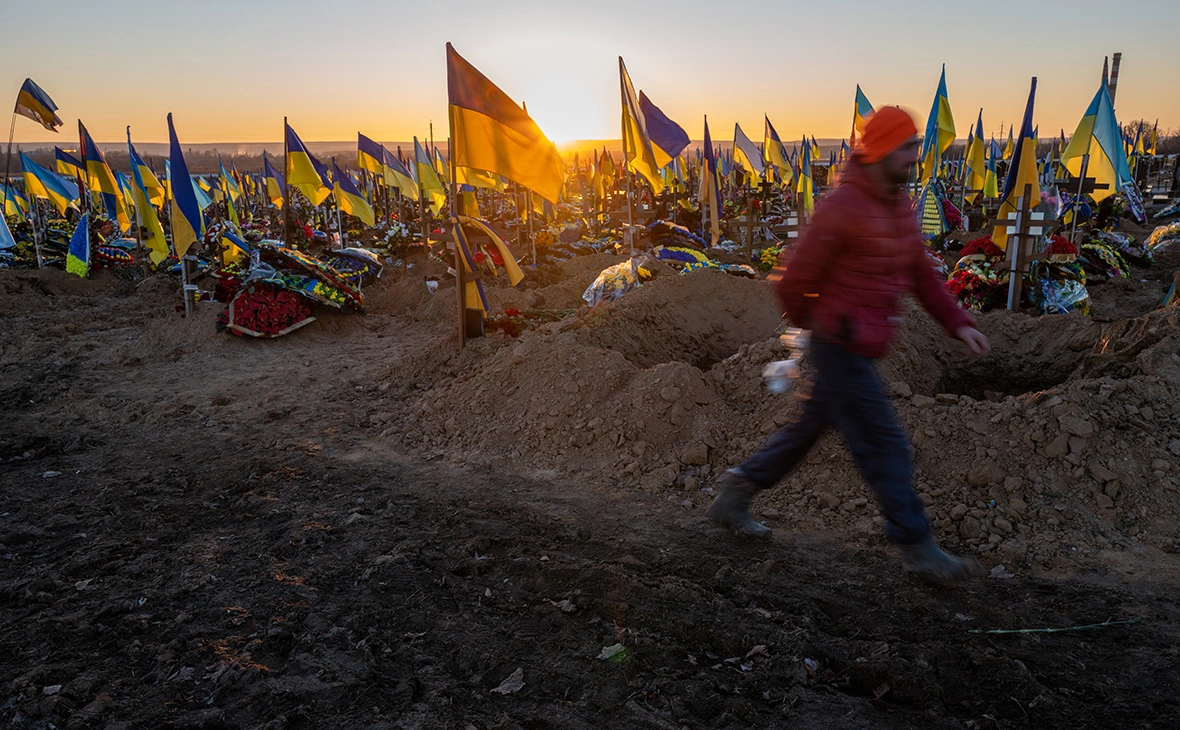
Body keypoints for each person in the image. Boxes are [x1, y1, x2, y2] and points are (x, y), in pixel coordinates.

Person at [708, 106, 991, 585]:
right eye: (906, 146)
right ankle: (917, 546)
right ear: (881, 150)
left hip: (859, 344)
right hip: (840, 344)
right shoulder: (844, 206)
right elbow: (792, 281)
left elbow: (920, 273)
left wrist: (957, 322)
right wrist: (820, 327)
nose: (914, 155)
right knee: (885, 443)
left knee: (804, 431)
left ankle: (736, 490)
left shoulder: (898, 204)